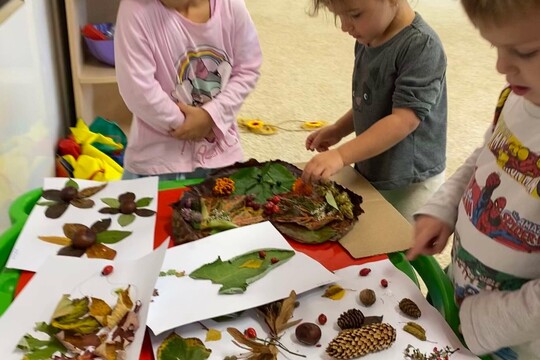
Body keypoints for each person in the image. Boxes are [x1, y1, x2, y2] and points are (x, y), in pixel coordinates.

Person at [407, 1, 540, 358]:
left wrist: (484, 321)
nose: (500, 66)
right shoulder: (518, 95)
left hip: (514, 339)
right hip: (467, 288)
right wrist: (444, 208)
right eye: (495, 47)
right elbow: (488, 155)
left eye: (525, 52)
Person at [301, 0, 447, 222]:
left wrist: (341, 155)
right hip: (373, 169)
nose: (344, 26)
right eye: (338, 16)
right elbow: (370, 100)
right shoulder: (368, 37)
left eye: (355, 15)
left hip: (411, 183)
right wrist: (340, 128)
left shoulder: (421, 46)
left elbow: (403, 121)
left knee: (404, 248)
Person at [114, 0, 262, 180]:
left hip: (220, 155)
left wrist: (211, 116)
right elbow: (137, 89)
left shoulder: (231, 6)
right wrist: (188, 125)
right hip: (156, 162)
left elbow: (248, 68)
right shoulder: (135, 9)